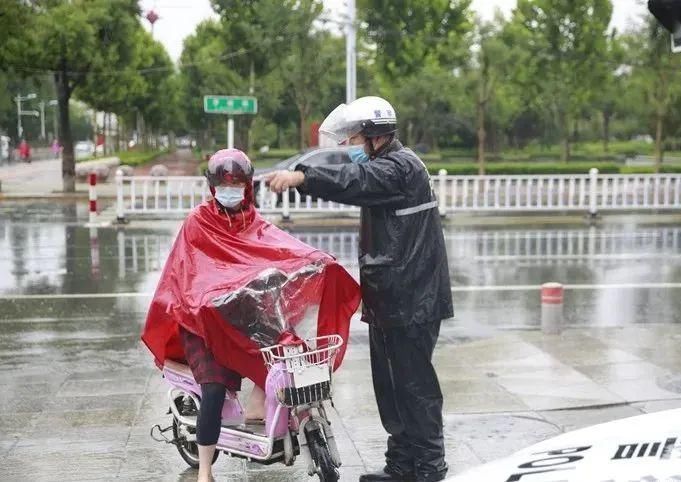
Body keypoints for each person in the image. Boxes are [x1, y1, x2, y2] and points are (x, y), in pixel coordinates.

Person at [142, 148, 360, 482]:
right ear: (213, 186)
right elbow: (185, 276)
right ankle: (204, 470)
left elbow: (281, 248)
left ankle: (260, 409)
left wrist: (316, 260)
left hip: (240, 315)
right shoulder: (197, 223)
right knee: (213, 389)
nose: (231, 190)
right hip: (200, 320)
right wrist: (208, 296)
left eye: (238, 184)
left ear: (248, 186)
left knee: (285, 351)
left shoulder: (252, 222)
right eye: (224, 184)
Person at [266, 96, 454, 482]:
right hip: (391, 296)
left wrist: (304, 177)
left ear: (373, 136)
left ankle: (430, 468)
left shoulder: (399, 167)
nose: (350, 146)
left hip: (412, 298)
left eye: (353, 138)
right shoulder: (387, 165)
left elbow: (355, 181)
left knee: (414, 386)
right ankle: (402, 465)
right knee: (390, 387)